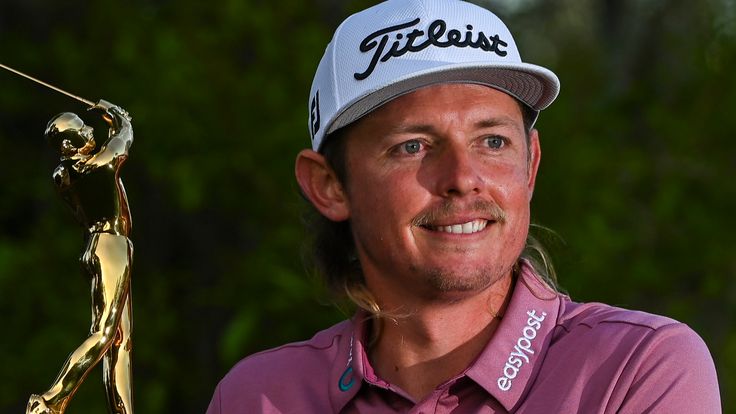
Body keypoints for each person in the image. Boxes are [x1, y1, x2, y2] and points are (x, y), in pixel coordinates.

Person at [207, 1, 721, 412]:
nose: (462, 178)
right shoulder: (257, 396)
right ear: (329, 186)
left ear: (531, 166)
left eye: (493, 141)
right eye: (412, 146)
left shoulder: (636, 367)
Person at [27, 101, 134, 414]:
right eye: (81, 130)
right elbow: (124, 137)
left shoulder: (65, 176)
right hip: (111, 247)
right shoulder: (95, 166)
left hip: (101, 245)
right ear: (66, 144)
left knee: (120, 341)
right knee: (103, 333)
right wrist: (114, 114)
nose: (89, 131)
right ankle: (51, 399)